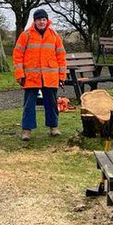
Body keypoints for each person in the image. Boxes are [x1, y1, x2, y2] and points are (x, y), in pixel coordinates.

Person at [12, 8, 68, 141]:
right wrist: (20, 74)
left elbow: (61, 56)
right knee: (29, 104)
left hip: (50, 77)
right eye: (39, 19)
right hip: (31, 77)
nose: (41, 22)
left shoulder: (54, 36)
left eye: (44, 19)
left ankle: (53, 127)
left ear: (47, 20)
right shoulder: (26, 35)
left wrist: (62, 76)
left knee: (52, 104)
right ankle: (27, 130)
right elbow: (17, 54)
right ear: (35, 21)